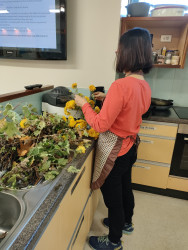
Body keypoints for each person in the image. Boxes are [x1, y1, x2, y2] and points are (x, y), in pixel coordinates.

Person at [75, 27, 152, 250]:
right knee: (126, 187)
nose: (116, 52)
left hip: (115, 151)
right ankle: (127, 223)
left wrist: (85, 105)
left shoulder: (120, 85)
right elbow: (134, 106)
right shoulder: (143, 84)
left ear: (128, 53)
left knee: (112, 197)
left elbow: (100, 125)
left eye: (120, 49)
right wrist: (108, 99)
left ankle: (114, 240)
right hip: (131, 146)